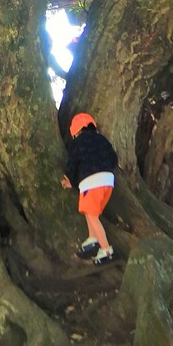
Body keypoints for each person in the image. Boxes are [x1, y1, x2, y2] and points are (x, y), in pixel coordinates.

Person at [61, 111, 117, 265]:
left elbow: (73, 163)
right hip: (108, 181)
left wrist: (70, 180)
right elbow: (114, 158)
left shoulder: (78, 143)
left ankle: (106, 250)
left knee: (92, 215)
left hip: (92, 182)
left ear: (75, 131)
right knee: (90, 212)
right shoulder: (102, 140)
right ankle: (93, 239)